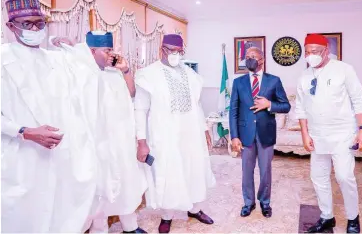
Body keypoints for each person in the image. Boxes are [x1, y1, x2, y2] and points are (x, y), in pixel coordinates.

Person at [1, 0, 106, 232]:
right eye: (28, 23)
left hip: (60, 154)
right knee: (24, 217)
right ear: (11, 26)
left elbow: (90, 80)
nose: (36, 28)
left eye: (40, 23)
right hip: (22, 155)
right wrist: (24, 131)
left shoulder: (56, 60)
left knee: (60, 213)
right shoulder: (2, 60)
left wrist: (73, 49)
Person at [135, 34, 216, 233]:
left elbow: (197, 106)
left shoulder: (190, 74)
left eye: (179, 51)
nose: (175, 54)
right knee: (168, 173)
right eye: (171, 50)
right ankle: (167, 216)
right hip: (165, 136)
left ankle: (195, 210)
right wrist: (141, 141)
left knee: (195, 170)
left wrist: (205, 130)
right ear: (161, 49)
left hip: (192, 134)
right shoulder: (148, 74)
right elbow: (140, 109)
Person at [296, 34, 362, 233]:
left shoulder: (344, 70)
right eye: (307, 52)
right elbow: (301, 108)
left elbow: (360, 101)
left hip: (342, 134)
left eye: (315, 52)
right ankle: (327, 217)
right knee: (318, 178)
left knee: (344, 177)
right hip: (317, 136)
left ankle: (353, 218)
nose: (310, 56)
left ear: (326, 51)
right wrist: (305, 133)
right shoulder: (304, 76)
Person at [81, 31, 147, 233]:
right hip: (98, 142)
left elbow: (132, 94)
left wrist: (126, 70)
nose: (111, 53)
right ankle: (98, 230)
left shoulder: (114, 73)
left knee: (127, 182)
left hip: (121, 139)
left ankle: (130, 226)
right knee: (101, 188)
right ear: (92, 51)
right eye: (107, 50)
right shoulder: (84, 75)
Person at [229, 47, 291, 219]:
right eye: (247, 57)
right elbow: (233, 111)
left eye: (253, 57)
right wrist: (234, 136)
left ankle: (265, 202)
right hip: (245, 134)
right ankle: (248, 203)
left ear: (262, 60)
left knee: (265, 171)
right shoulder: (238, 82)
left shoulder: (274, 81)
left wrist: (269, 105)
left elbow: (286, 106)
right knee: (246, 171)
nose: (249, 59)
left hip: (266, 134)